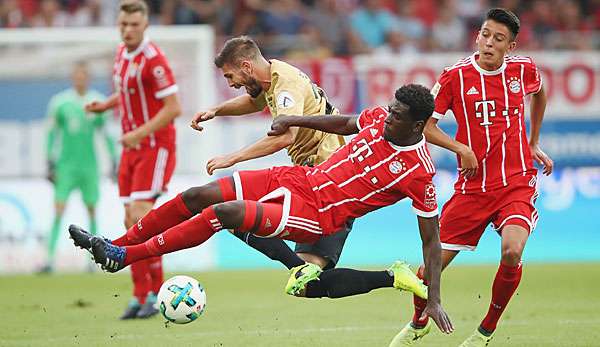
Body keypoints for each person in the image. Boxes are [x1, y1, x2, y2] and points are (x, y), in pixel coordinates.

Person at [70, 84, 453, 334]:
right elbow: (345, 122)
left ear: (418, 124)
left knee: (226, 214)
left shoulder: (419, 172)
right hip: (297, 179)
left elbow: (432, 239)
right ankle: (113, 245)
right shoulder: (376, 120)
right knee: (199, 196)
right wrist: (294, 119)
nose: (387, 117)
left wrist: (433, 297)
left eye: (397, 116)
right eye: (389, 110)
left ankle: (125, 255)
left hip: (317, 213)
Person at [389, 8, 553, 347]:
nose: (489, 43)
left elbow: (539, 93)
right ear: (477, 35)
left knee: (511, 251)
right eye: (485, 34)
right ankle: (419, 322)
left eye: (498, 39)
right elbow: (428, 126)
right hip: (472, 189)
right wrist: (460, 148)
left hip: (516, 181)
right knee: (427, 271)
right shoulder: (455, 76)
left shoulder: (523, 69)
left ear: (511, 45)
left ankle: (485, 331)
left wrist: (533, 141)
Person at [190, 35, 352, 274]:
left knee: (310, 275)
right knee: (233, 215)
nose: (231, 84)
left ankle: (392, 278)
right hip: (310, 175)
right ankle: (299, 270)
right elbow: (254, 103)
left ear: (246, 66)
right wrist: (216, 110)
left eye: (230, 76)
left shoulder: (286, 83)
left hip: (328, 179)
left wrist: (232, 158)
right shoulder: (273, 78)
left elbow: (285, 137)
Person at [84, 0, 182, 320]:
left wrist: (140, 132)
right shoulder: (121, 55)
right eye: (123, 25)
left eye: (134, 25)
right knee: (130, 220)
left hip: (154, 146)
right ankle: (140, 294)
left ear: (146, 25)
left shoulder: (154, 60)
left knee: (142, 218)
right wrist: (107, 105)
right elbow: (128, 94)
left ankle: (158, 292)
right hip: (131, 148)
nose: (128, 30)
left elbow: (173, 107)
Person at [41, 61, 117, 273]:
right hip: (66, 166)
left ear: (88, 78)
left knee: (91, 209)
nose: (80, 79)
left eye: (84, 75)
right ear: (73, 78)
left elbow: (106, 134)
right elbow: (51, 133)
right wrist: (49, 161)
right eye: (77, 76)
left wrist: (113, 159)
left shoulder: (99, 102)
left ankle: (92, 260)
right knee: (58, 209)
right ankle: (49, 259)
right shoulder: (61, 103)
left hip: (89, 166)